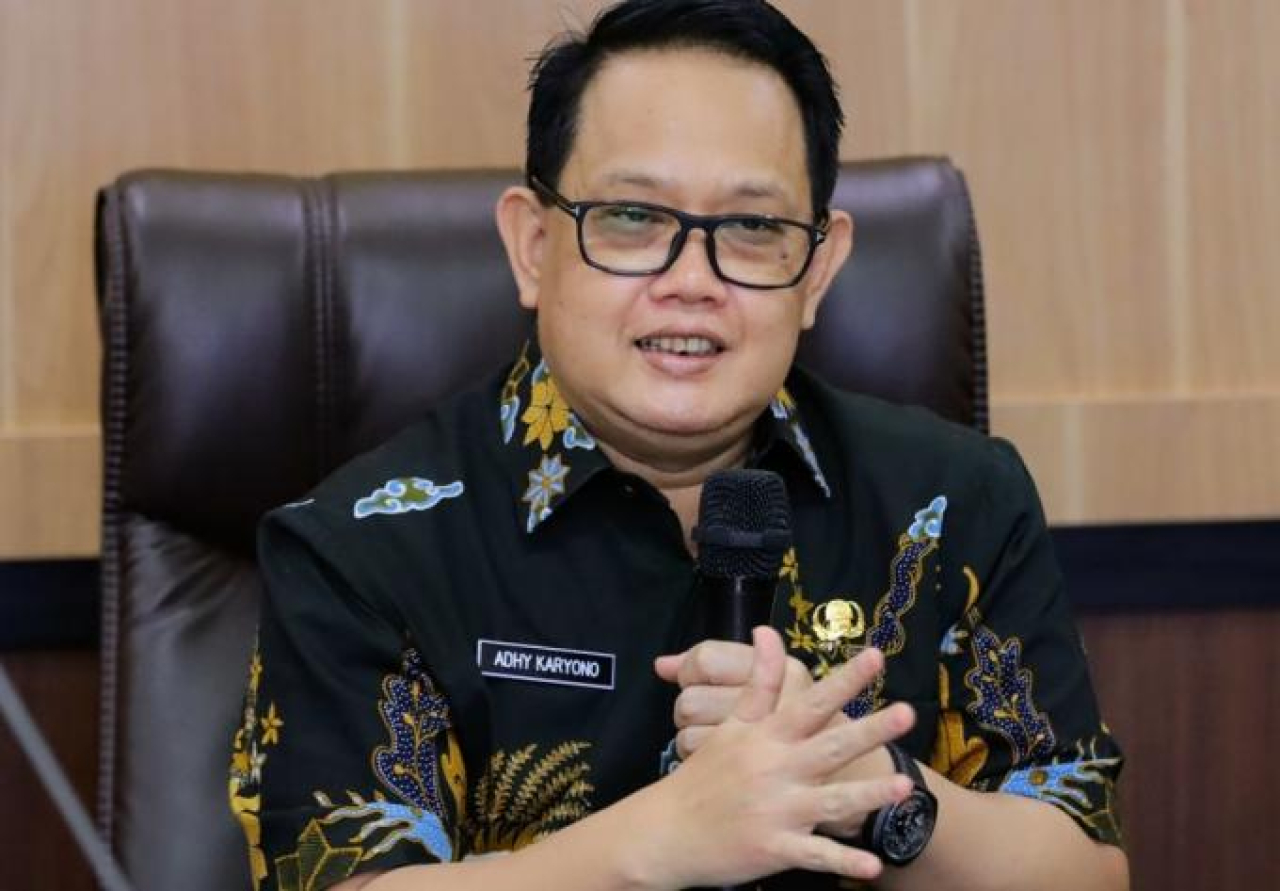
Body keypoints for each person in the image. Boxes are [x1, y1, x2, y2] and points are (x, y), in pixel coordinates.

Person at [228, 1, 1128, 889]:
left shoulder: (954, 500)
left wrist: (868, 784)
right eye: (632, 217)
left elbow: (1087, 868)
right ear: (533, 246)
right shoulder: (362, 547)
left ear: (817, 270)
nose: (691, 280)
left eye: (753, 228)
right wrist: (656, 840)